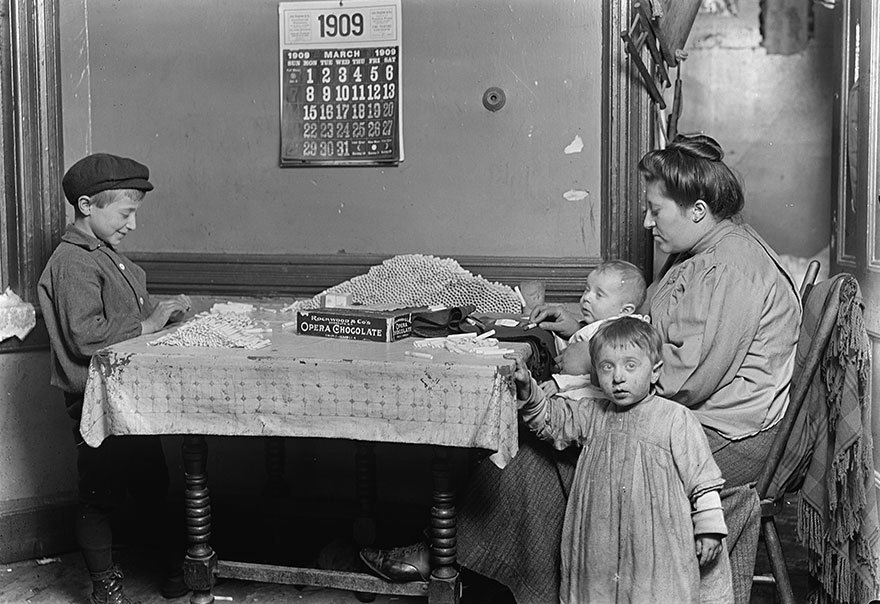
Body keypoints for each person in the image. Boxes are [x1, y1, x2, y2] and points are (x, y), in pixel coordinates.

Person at [360, 133, 801, 604]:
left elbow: (681, 381)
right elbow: (656, 332)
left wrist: (591, 356)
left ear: (697, 210)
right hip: (702, 415)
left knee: (534, 443)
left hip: (725, 437)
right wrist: (594, 326)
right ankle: (463, 557)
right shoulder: (705, 251)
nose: (648, 221)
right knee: (547, 412)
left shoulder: (728, 269)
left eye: (657, 209)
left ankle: (453, 561)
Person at [38, 153, 192, 604]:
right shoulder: (72, 262)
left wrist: (164, 316)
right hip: (97, 405)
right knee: (98, 496)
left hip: (131, 399)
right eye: (126, 214)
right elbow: (87, 336)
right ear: (87, 205)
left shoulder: (107, 257)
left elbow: (128, 315)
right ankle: (105, 583)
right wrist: (149, 324)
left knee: (151, 484)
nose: (132, 225)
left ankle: (169, 568)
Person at [514, 316, 732, 603]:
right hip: (599, 538)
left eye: (631, 365)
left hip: (655, 542)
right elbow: (553, 421)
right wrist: (530, 393)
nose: (618, 377)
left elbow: (702, 479)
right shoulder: (592, 414)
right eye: (607, 367)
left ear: (654, 372)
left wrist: (709, 529)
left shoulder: (675, 419)